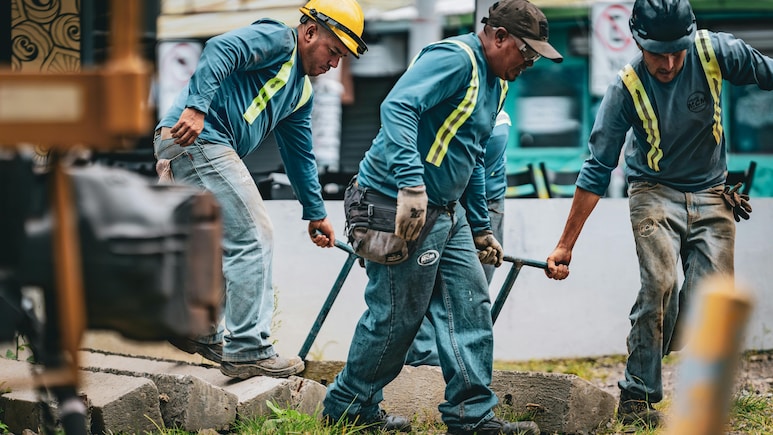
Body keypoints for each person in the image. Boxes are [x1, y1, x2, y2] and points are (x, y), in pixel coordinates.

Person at [322, 0, 562, 433]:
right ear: (500, 37)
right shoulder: (456, 58)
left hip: (447, 214)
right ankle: (348, 407)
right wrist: (411, 185)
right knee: (397, 318)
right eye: (526, 52)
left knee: (470, 308)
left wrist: (482, 228)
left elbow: (471, 155)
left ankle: (472, 416)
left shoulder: (497, 82)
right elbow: (397, 107)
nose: (529, 63)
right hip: (396, 203)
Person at [545, 0, 768, 427]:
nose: (668, 64)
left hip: (712, 191)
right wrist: (565, 245)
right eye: (657, 53)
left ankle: (704, 403)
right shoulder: (625, 88)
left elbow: (766, 71)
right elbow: (597, 168)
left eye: (676, 52)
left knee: (712, 301)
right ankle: (637, 398)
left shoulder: (716, 51)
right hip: (653, 192)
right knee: (660, 285)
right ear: (638, 42)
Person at [152, 0, 368, 380]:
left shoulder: (300, 93)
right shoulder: (278, 40)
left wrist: (316, 212)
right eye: (333, 51)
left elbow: (300, 155)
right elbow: (220, 48)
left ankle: (197, 327)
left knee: (227, 239)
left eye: (341, 58)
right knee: (254, 234)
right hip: (198, 138)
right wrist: (197, 107)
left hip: (199, 146)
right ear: (310, 31)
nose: (334, 64)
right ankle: (249, 348)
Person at [406, 110, 512, 367]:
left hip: (479, 202)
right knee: (420, 287)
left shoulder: (495, 120)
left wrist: (481, 228)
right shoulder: (422, 108)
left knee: (469, 295)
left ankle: (461, 370)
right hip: (434, 198)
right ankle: (425, 366)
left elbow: (474, 169)